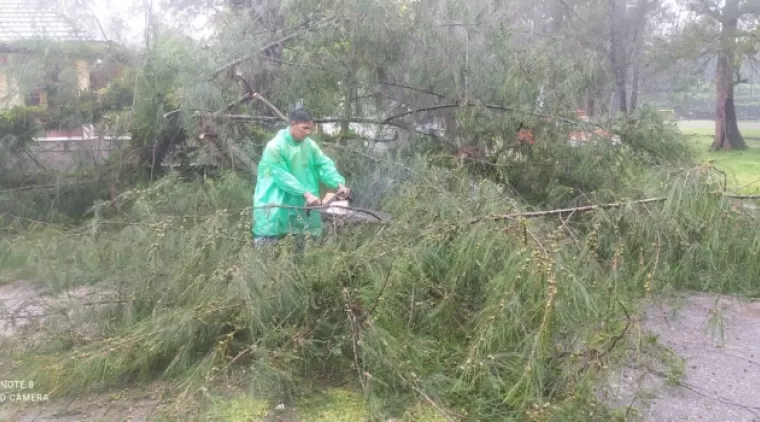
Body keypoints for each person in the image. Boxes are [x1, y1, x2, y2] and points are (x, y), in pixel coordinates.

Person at [252, 107, 350, 248]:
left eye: (310, 128)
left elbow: (323, 164)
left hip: (302, 206)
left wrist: (338, 183)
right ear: (293, 124)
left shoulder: (309, 145)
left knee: (301, 252)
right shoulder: (275, 147)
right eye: (304, 128)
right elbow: (282, 176)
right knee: (268, 253)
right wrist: (305, 194)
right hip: (275, 205)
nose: (308, 132)